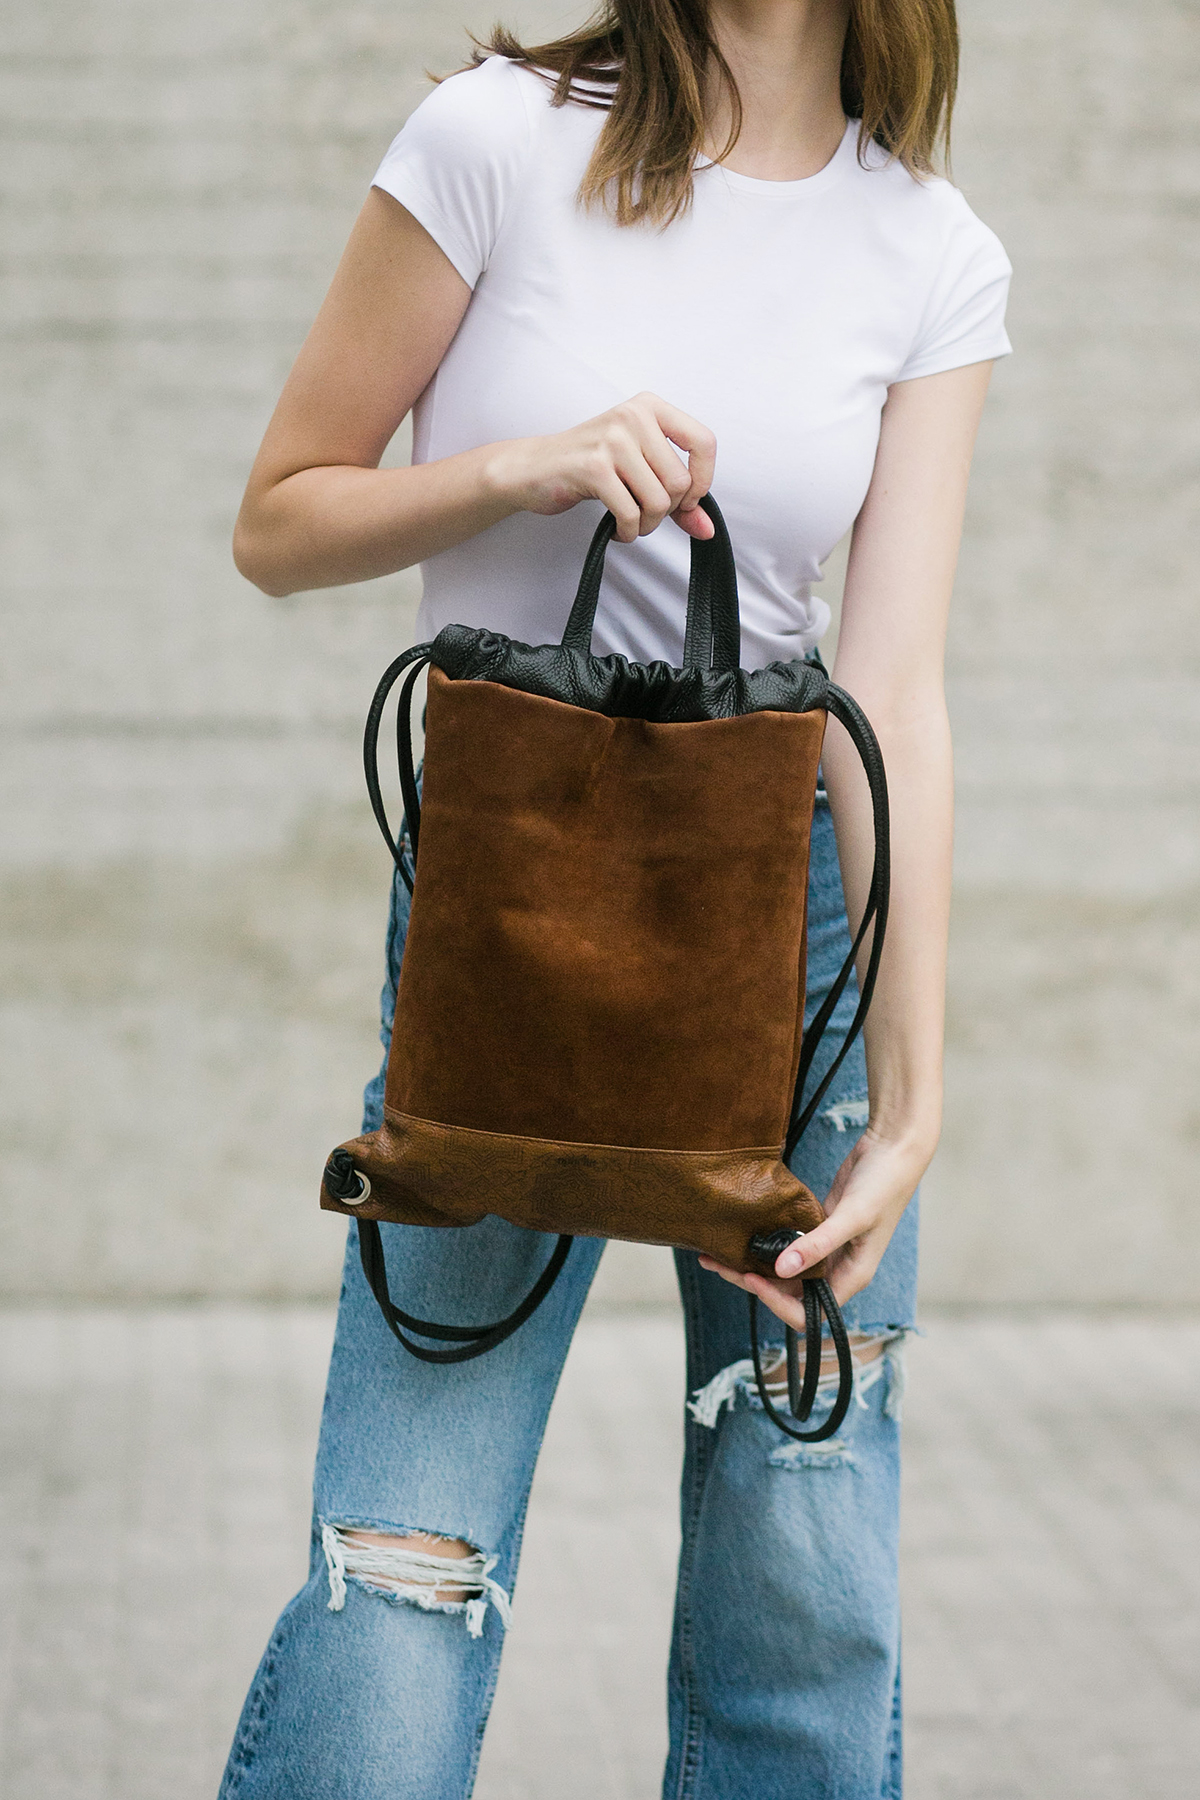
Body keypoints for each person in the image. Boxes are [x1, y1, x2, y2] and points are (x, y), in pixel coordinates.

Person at [220, 0, 1010, 1793]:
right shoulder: (497, 141)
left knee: (804, 1591)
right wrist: (523, 465)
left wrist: (914, 1093)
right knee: (402, 1578)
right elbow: (278, 518)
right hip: (514, 906)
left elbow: (889, 695)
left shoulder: (928, 251)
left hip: (791, 936)